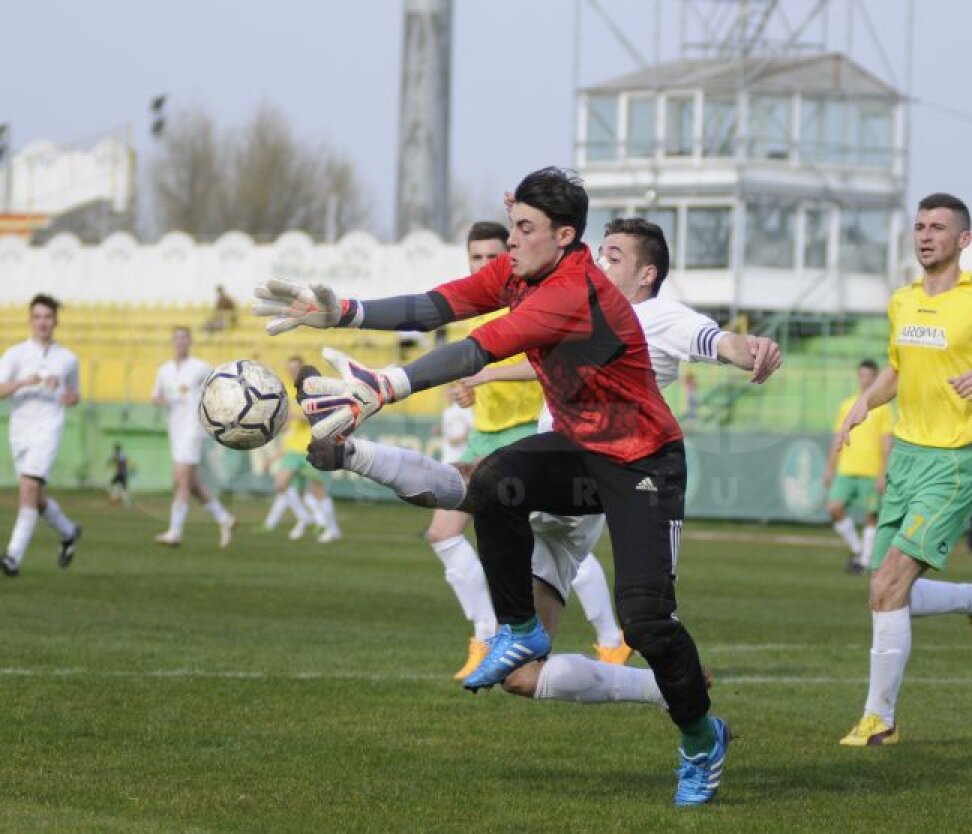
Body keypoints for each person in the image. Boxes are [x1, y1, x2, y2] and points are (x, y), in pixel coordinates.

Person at [253, 168, 747, 806]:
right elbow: (439, 305)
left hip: (642, 463)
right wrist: (341, 312)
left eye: (524, 229)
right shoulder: (522, 271)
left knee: (646, 621)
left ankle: (702, 738)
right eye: (511, 225)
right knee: (494, 481)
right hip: (578, 447)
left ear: (565, 236)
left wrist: (387, 386)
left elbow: (478, 349)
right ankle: (519, 628)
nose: (510, 240)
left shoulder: (573, 291)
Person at [315, 217, 779, 714]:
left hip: (592, 472)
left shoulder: (660, 314)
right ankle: (659, 688)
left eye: (615, 256)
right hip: (551, 463)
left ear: (647, 274)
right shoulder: (582, 304)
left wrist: (748, 348)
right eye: (601, 252)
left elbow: (715, 340)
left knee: (472, 488)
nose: (602, 262)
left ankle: (348, 452)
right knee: (521, 677)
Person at [835, 193, 972, 747]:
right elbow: (898, 371)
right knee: (885, 592)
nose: (925, 235)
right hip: (904, 458)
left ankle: (880, 719)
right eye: (920, 226)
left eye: (938, 227)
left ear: (963, 240)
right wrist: (866, 403)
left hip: (952, 464)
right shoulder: (902, 302)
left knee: (886, 584)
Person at [424, 221, 544, 680]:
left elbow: (542, 369)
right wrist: (471, 393)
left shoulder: (530, 305)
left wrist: (488, 376)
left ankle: (613, 637)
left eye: (492, 257)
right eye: (475, 258)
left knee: (549, 544)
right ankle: (486, 632)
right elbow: (476, 381)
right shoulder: (476, 315)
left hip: (527, 432)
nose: (484, 266)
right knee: (443, 532)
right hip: (486, 434)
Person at [0, 294, 83, 577]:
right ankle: (69, 532)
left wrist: (70, 397)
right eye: (38, 317)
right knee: (35, 495)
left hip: (48, 429)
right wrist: (23, 382)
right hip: (19, 430)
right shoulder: (15, 354)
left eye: (48, 317)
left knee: (27, 487)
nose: (43, 323)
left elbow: (74, 395)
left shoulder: (68, 359)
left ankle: (13, 555)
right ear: (30, 320)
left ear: (56, 320)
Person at [152, 326, 236, 548]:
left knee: (180, 479)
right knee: (192, 484)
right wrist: (161, 400)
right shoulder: (165, 370)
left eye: (184, 338)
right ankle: (225, 519)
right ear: (172, 341)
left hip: (193, 429)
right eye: (176, 338)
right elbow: (156, 396)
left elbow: (219, 385)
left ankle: (175, 532)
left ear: (190, 341)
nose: (180, 342)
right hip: (176, 429)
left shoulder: (200, 368)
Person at [824, 359, 893, 575]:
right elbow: (838, 436)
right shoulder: (847, 405)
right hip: (846, 469)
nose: (866, 380)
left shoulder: (883, 408)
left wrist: (883, 472)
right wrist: (830, 467)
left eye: (870, 376)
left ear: (876, 377)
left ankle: (863, 561)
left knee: (872, 516)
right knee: (834, 507)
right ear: (858, 377)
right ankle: (858, 548)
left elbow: (887, 442)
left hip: (871, 471)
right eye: (862, 375)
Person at [262, 356, 341, 543]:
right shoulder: (289, 392)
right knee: (280, 484)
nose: (292, 373)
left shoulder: (313, 391)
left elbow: (316, 417)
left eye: (295, 369)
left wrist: (295, 415)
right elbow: (289, 423)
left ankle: (332, 528)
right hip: (292, 448)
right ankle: (305, 517)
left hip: (311, 447)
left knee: (317, 490)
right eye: (289, 369)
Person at [438, 385, 473, 464]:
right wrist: (440, 431)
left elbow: (473, 427)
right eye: (446, 394)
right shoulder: (446, 412)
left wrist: (461, 438)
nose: (447, 396)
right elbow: (448, 432)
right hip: (448, 455)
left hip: (462, 454)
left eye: (450, 394)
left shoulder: (464, 408)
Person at [108, 443, 133, 507]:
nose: (115, 450)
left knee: (122, 487)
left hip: (122, 474)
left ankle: (126, 502)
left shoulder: (121, 455)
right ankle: (116, 497)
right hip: (120, 474)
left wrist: (114, 459)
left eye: (115, 449)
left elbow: (120, 461)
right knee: (114, 484)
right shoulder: (120, 455)